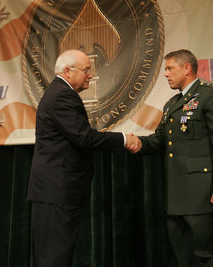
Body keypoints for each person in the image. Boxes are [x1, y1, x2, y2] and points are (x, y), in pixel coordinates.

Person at [27, 49, 140, 267]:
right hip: (57, 189)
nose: (91, 75)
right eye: (86, 70)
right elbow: (84, 138)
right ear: (68, 71)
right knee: (54, 257)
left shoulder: (58, 91)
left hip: (53, 190)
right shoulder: (62, 95)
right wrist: (125, 139)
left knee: (51, 255)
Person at [130, 49, 213, 267]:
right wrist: (136, 143)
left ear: (187, 68)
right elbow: (160, 140)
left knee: (205, 257)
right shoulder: (172, 104)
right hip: (176, 196)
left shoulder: (211, 94)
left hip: (202, 193)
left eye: (170, 68)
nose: (166, 74)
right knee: (183, 256)